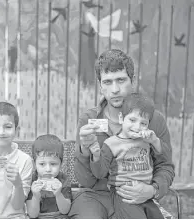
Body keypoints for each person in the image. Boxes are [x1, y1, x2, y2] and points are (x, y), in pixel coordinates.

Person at [68, 49, 175, 219]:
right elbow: (86, 181)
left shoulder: (154, 120)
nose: (115, 89)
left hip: (135, 196)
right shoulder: (89, 119)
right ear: (100, 85)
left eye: (121, 80)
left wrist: (152, 190)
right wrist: (85, 150)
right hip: (96, 197)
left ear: (132, 80)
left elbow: (165, 166)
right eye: (108, 82)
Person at [89, 92, 164, 219]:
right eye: (132, 120)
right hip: (123, 195)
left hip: (145, 194)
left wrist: (155, 141)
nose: (137, 127)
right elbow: (100, 173)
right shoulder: (111, 144)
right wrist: (96, 156)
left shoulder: (146, 141)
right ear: (121, 118)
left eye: (143, 123)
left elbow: (161, 158)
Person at [26, 134, 72, 219]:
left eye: (53, 164)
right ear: (34, 164)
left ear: (61, 164)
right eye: (42, 164)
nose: (48, 169)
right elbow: (32, 215)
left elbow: (65, 210)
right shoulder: (31, 180)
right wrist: (36, 196)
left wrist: (58, 194)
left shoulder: (63, 180)